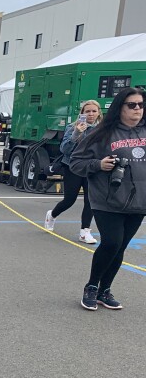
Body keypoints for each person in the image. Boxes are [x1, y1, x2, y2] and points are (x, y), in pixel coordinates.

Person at [69, 87, 146, 311]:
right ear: (119, 107)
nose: (137, 109)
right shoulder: (101, 133)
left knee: (120, 247)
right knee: (111, 242)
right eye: (132, 105)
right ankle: (92, 287)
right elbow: (76, 162)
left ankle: (105, 290)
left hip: (139, 201)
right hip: (107, 200)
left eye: (141, 105)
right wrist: (98, 165)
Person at [44, 100, 102, 243]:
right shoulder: (73, 127)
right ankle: (52, 215)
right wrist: (76, 133)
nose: (91, 114)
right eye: (87, 111)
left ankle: (85, 231)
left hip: (92, 168)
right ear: (82, 113)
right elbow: (64, 150)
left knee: (91, 201)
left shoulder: (103, 129)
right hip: (73, 167)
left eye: (94, 111)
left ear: (99, 113)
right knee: (69, 200)